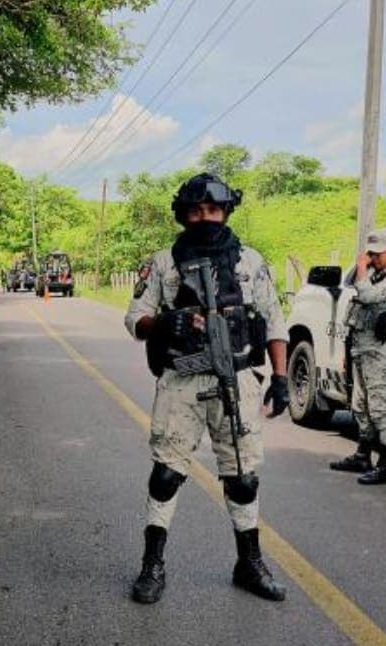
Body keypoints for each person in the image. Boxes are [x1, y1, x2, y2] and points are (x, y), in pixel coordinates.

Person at [124, 173, 290, 604]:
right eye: (195, 211)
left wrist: (281, 378)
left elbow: (274, 320)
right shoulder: (163, 262)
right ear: (183, 215)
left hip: (237, 378)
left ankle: (249, 563)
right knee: (166, 475)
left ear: (226, 211)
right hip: (182, 380)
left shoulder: (251, 262)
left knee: (243, 478)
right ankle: (152, 565)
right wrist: (165, 323)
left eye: (213, 210)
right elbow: (135, 319)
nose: (205, 218)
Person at [329, 228, 386, 485]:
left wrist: (361, 266)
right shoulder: (374, 278)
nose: (373, 258)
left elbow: (366, 296)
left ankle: (385, 465)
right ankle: (363, 455)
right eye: (370, 254)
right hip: (362, 351)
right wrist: (348, 353)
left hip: (380, 354)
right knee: (360, 405)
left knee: (381, 407)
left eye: (378, 254)